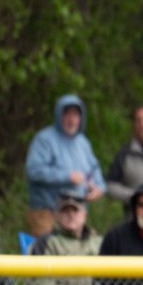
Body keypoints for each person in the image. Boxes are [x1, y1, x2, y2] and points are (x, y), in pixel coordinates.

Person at [25, 94, 107, 238]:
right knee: (46, 256)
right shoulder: (45, 139)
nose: (71, 119)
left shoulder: (83, 143)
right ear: (59, 116)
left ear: (81, 119)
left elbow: (94, 170)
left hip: (76, 213)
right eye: (67, 114)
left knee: (78, 255)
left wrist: (99, 187)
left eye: (75, 115)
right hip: (47, 212)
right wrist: (67, 176)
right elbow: (34, 170)